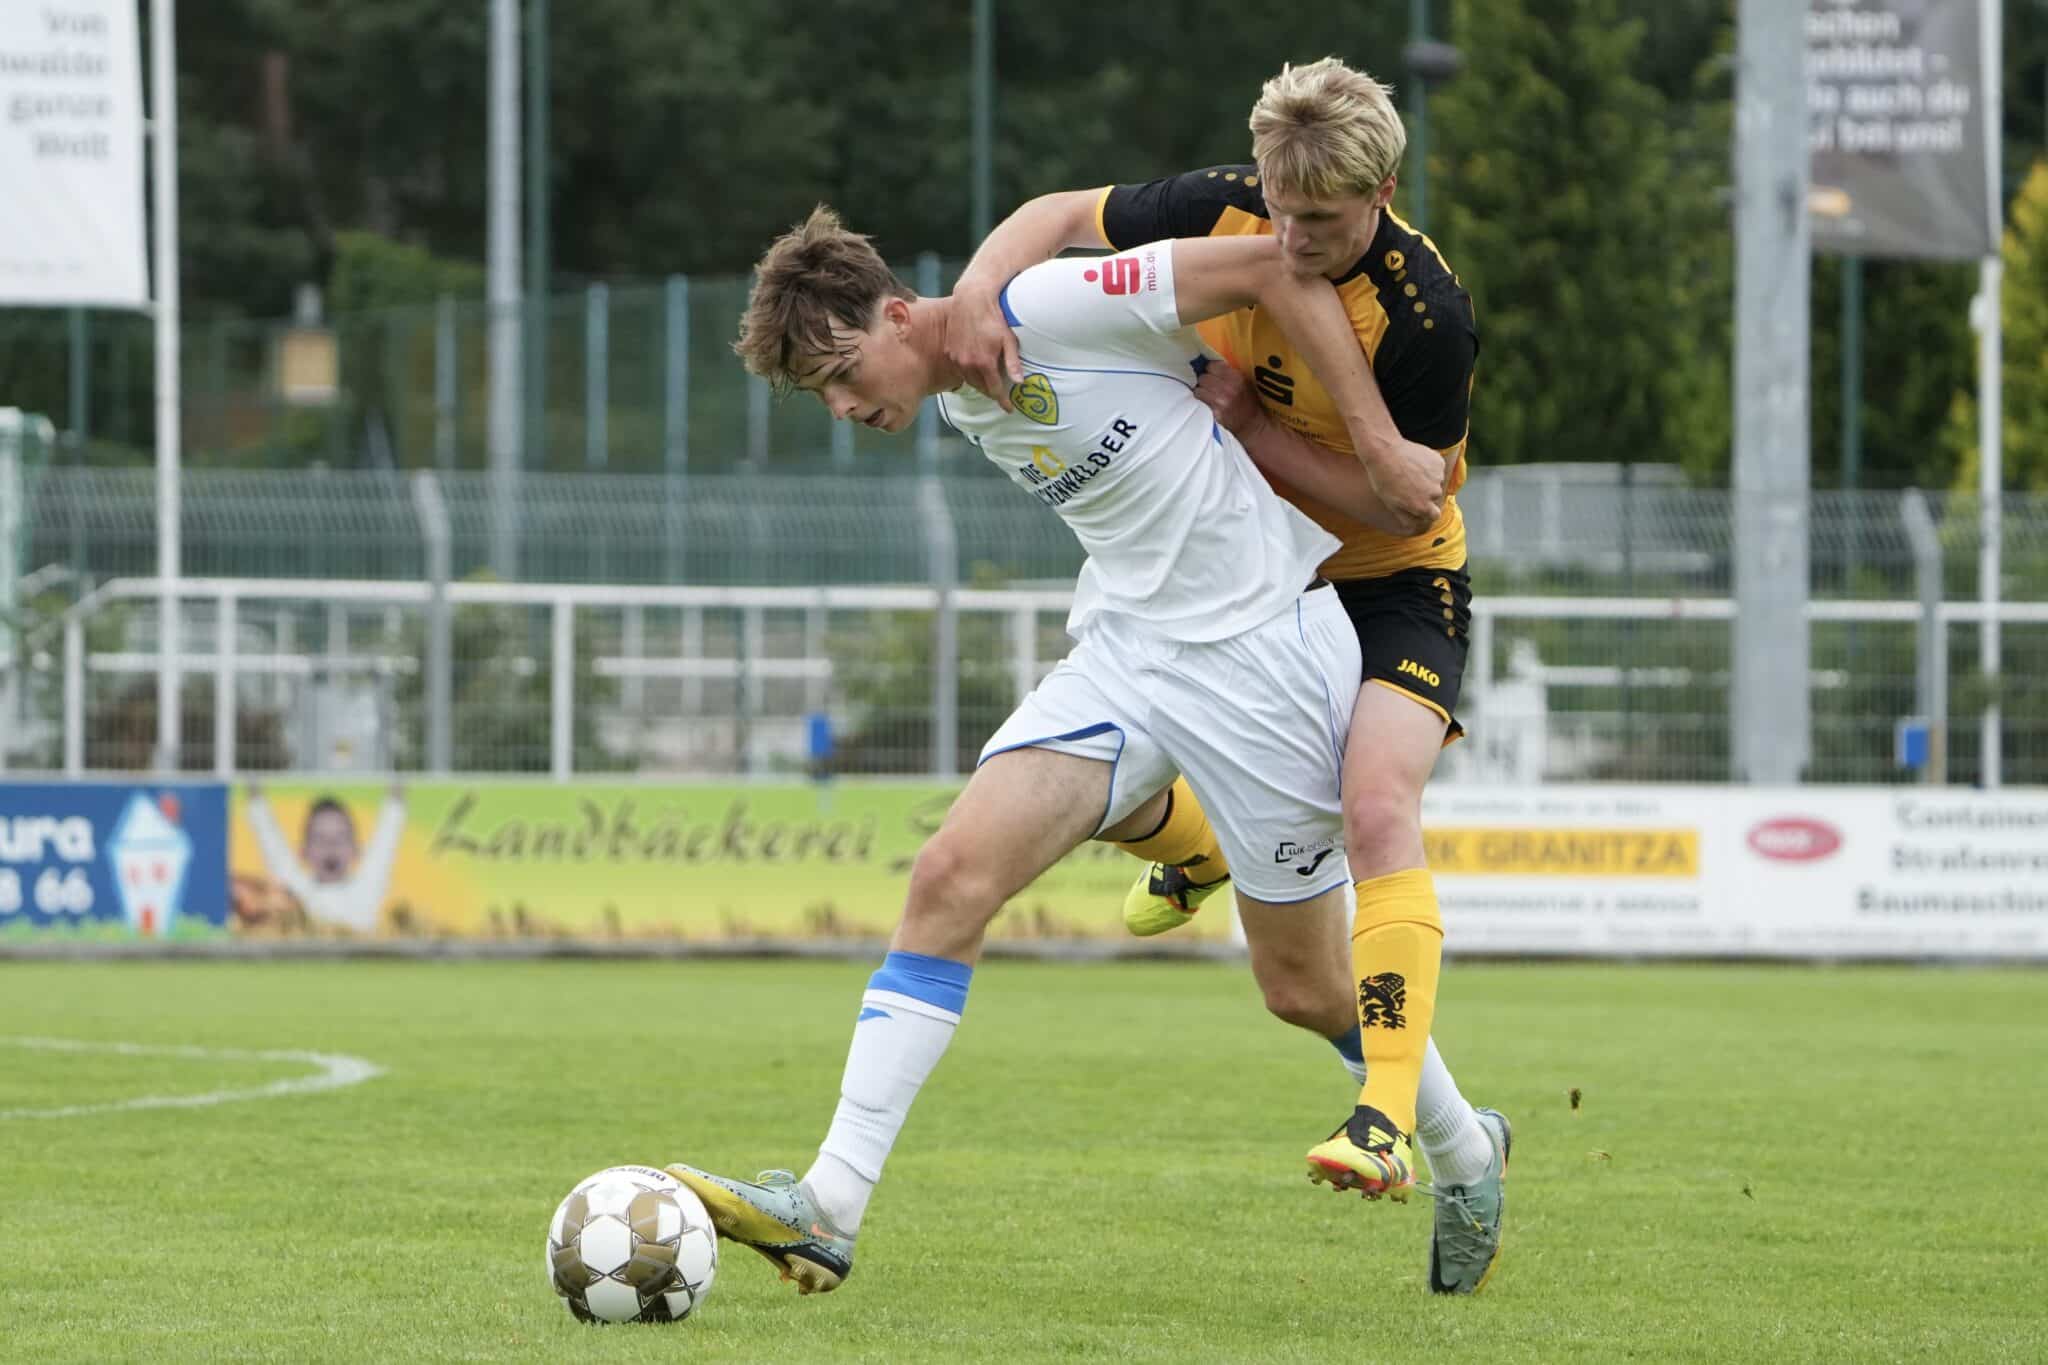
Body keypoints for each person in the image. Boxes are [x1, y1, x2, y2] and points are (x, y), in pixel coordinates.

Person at [668, 205, 1412, 1295]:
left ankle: (1457, 1134)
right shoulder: (960, 385)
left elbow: (1271, 263)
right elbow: (1021, 252)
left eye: (839, 372)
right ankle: (829, 1203)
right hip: (1127, 654)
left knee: (1302, 989)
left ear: (895, 313)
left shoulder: (1046, 306)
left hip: (1264, 648)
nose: (840, 406)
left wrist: (1377, 440)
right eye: (817, 395)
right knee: (947, 876)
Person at [945, 56, 1509, 1294]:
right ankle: (1200, 846)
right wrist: (981, 293)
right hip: (1263, 585)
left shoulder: (1423, 315)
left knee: (1376, 809)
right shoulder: (1223, 205)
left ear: (1385, 190)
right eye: (1279, 210)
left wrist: (1249, 431)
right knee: (1286, 983)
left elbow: (1396, 494)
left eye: (1325, 221)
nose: (1293, 239)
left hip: (1386, 586)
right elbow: (1052, 218)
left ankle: (1389, 1123)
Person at [244, 782, 405, 935]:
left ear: (356, 851)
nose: (331, 846)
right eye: (319, 838)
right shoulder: (297, 891)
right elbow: (270, 840)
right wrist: (253, 788)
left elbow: (387, 834)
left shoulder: (366, 890)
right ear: (303, 852)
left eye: (340, 837)